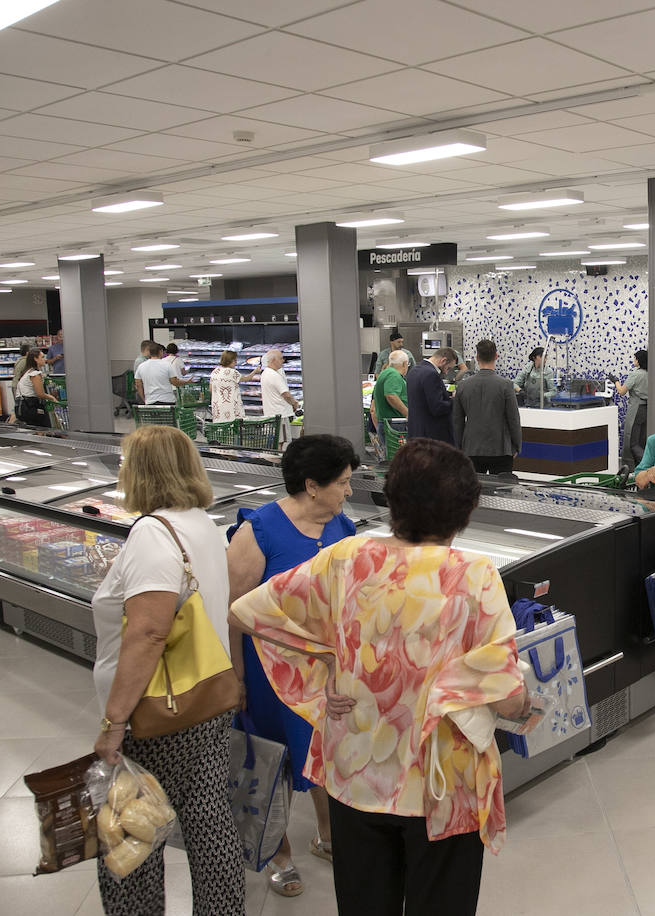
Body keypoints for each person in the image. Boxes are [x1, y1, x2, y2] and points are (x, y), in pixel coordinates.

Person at [230, 439, 530, 916]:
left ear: (392, 499)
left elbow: (249, 611)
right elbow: (509, 696)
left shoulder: (346, 556)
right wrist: (525, 703)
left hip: (355, 770)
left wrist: (326, 662)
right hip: (442, 785)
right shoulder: (473, 575)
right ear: (461, 511)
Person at [89, 425, 245, 916]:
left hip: (158, 711)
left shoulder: (154, 534)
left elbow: (149, 633)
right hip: (207, 699)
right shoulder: (202, 522)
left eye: (125, 463)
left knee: (129, 832)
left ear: (142, 472)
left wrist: (115, 723)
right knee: (209, 819)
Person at [226, 435, 359, 897]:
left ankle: (327, 836)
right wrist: (236, 677)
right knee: (274, 758)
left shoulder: (342, 526)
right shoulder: (258, 531)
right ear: (311, 485)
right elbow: (235, 611)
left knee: (323, 753)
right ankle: (278, 854)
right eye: (342, 483)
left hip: (323, 672)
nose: (348, 491)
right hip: (269, 674)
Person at [453, 339, 521, 475]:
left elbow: (457, 421)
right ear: (496, 356)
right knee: (502, 493)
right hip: (501, 448)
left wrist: (459, 447)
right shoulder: (506, 385)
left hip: (471, 448)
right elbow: (513, 419)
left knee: (474, 491)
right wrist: (516, 446)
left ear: (477, 357)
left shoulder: (463, 386)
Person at [406, 346, 458, 444]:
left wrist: (448, 394)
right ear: (443, 360)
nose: (446, 372)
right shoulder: (431, 374)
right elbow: (437, 407)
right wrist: (454, 400)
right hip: (431, 436)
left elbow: (424, 395)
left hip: (416, 432)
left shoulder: (414, 371)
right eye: (448, 368)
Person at [370, 350, 409, 458]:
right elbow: (391, 395)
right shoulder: (394, 375)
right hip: (395, 425)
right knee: (399, 459)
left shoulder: (385, 373)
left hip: (386, 422)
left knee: (392, 459)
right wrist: (407, 413)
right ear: (405, 364)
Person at [615, 349, 649, 470]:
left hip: (636, 408)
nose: (633, 360)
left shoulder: (636, 374)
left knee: (632, 441)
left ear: (639, 360)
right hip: (646, 409)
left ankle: (639, 465)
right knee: (642, 440)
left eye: (635, 358)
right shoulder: (649, 373)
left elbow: (622, 391)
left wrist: (616, 382)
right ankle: (643, 466)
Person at [209, 349, 260, 423]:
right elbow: (246, 379)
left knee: (221, 428)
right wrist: (255, 371)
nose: (236, 363)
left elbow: (211, 389)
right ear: (231, 360)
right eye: (235, 360)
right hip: (231, 407)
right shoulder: (233, 373)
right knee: (233, 426)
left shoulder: (215, 372)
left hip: (218, 407)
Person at [261, 349, 302, 441]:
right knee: (282, 442)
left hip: (271, 414)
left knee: (275, 441)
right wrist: (295, 403)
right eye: (280, 358)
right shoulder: (275, 376)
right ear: (273, 360)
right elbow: (286, 395)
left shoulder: (265, 373)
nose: (283, 361)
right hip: (280, 415)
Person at [14, 349, 60, 426]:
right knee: (44, 426)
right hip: (31, 407)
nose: (45, 359)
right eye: (42, 357)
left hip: (22, 406)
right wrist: (52, 398)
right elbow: (40, 394)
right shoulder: (35, 374)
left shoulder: (28, 372)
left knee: (36, 429)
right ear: (35, 359)